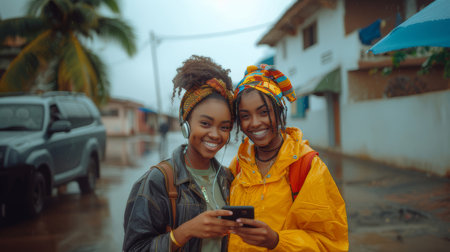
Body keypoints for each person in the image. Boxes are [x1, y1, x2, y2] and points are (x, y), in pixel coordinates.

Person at [123, 55, 240, 251]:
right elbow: (134, 248)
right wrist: (184, 232)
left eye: (224, 127)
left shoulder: (228, 179)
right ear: (186, 123)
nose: (215, 134)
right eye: (205, 123)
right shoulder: (158, 181)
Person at [227, 64, 348, 251]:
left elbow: (330, 243)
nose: (255, 123)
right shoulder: (238, 166)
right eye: (245, 116)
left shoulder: (307, 166)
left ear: (279, 110)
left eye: (263, 112)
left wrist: (277, 241)